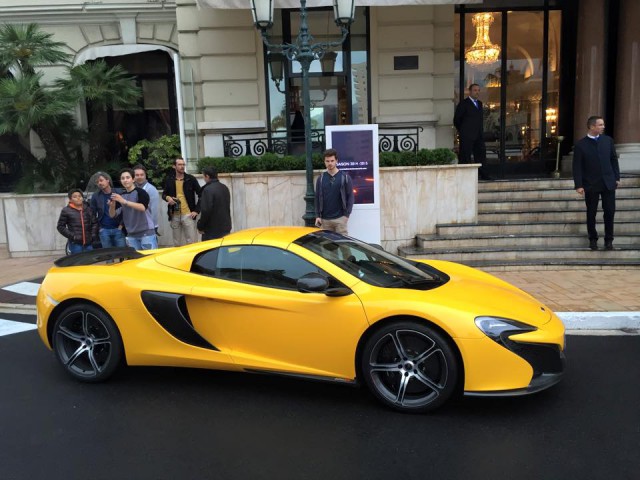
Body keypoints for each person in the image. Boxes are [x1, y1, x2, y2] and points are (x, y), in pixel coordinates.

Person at [572, 115, 620, 251]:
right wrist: (579, 185)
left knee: (610, 211)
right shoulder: (581, 145)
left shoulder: (608, 141)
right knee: (591, 212)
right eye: (600, 125)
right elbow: (577, 167)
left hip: (608, 183)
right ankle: (593, 239)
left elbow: (613, 160)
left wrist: (617, 177)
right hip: (591, 184)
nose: (603, 127)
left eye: (603, 124)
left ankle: (609, 240)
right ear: (592, 126)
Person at [108, 168, 158, 250]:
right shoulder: (121, 195)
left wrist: (124, 201)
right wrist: (112, 206)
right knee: (135, 261)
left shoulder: (141, 192)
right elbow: (113, 215)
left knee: (150, 259)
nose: (125, 180)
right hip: (131, 234)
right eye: (123, 178)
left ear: (133, 179)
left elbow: (142, 207)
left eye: (128, 177)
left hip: (146, 232)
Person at [162, 158, 201, 246]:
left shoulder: (190, 179)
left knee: (191, 242)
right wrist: (168, 198)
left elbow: (201, 194)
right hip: (174, 214)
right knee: (176, 243)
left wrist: (196, 210)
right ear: (174, 166)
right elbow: (164, 194)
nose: (182, 166)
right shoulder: (169, 179)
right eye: (179, 164)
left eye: (183, 164)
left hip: (188, 214)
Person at [314, 148, 354, 235]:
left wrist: (346, 215)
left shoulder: (345, 177)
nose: (330, 163)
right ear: (324, 162)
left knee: (344, 246)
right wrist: (317, 216)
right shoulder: (320, 178)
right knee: (327, 247)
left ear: (336, 161)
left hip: (340, 219)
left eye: (332, 160)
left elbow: (350, 196)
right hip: (325, 220)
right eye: (327, 161)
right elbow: (317, 198)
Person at [454, 83, 488, 179]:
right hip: (467, 135)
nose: (477, 92)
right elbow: (457, 119)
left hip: (478, 135)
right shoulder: (463, 104)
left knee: (481, 155)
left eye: (478, 90)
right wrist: (463, 130)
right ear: (470, 91)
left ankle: (483, 175)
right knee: (465, 155)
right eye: (475, 90)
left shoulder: (480, 104)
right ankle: (464, 177)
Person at [90, 171, 126, 249]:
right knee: (108, 256)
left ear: (107, 180)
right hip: (104, 230)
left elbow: (126, 210)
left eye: (101, 180)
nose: (99, 183)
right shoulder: (96, 196)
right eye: (97, 182)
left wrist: (121, 225)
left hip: (118, 228)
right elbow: (92, 214)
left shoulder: (119, 192)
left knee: (123, 254)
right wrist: (99, 228)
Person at [57, 188, 98, 255]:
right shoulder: (66, 210)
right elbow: (60, 226)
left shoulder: (88, 209)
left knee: (89, 263)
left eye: (79, 196)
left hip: (88, 243)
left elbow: (95, 223)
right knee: (77, 263)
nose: (78, 198)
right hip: (75, 244)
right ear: (70, 199)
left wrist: (93, 235)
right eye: (75, 197)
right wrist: (73, 236)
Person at [197, 166, 232, 240]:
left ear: (207, 176)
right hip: (225, 227)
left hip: (212, 230)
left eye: (203, 176)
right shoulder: (224, 187)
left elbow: (206, 210)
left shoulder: (207, 190)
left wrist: (200, 225)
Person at [133, 164, 160, 234]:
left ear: (145, 176)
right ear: (133, 176)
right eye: (137, 175)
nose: (139, 177)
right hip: (134, 227)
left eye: (142, 175)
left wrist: (152, 227)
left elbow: (154, 211)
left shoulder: (151, 189)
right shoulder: (131, 189)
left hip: (148, 228)